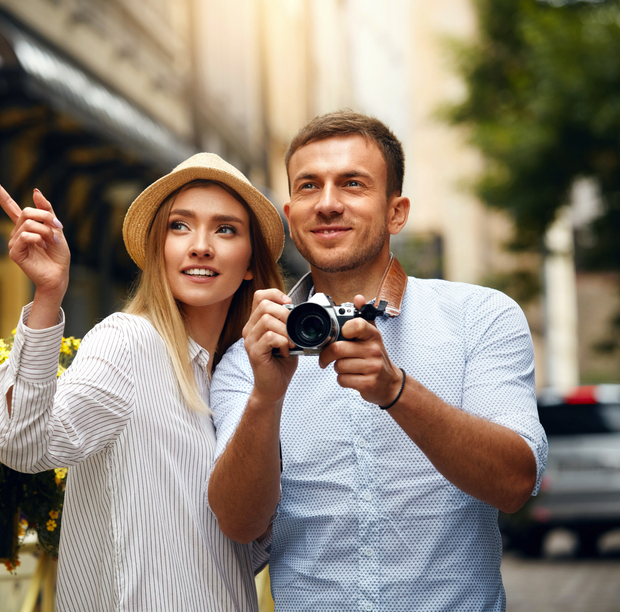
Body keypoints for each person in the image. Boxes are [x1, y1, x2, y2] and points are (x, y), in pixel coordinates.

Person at [207, 110, 548, 611]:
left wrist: (397, 391)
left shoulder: (481, 317)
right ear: (289, 212)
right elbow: (239, 523)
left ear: (397, 212)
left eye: (352, 184)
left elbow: (516, 484)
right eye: (308, 186)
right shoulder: (248, 356)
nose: (327, 203)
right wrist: (266, 396)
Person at [0, 153, 286, 611]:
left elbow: (245, 548)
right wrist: (48, 295)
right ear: (157, 248)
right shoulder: (128, 343)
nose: (200, 246)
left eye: (225, 229)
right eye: (179, 226)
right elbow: (21, 444)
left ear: (249, 263)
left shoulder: (240, 377)